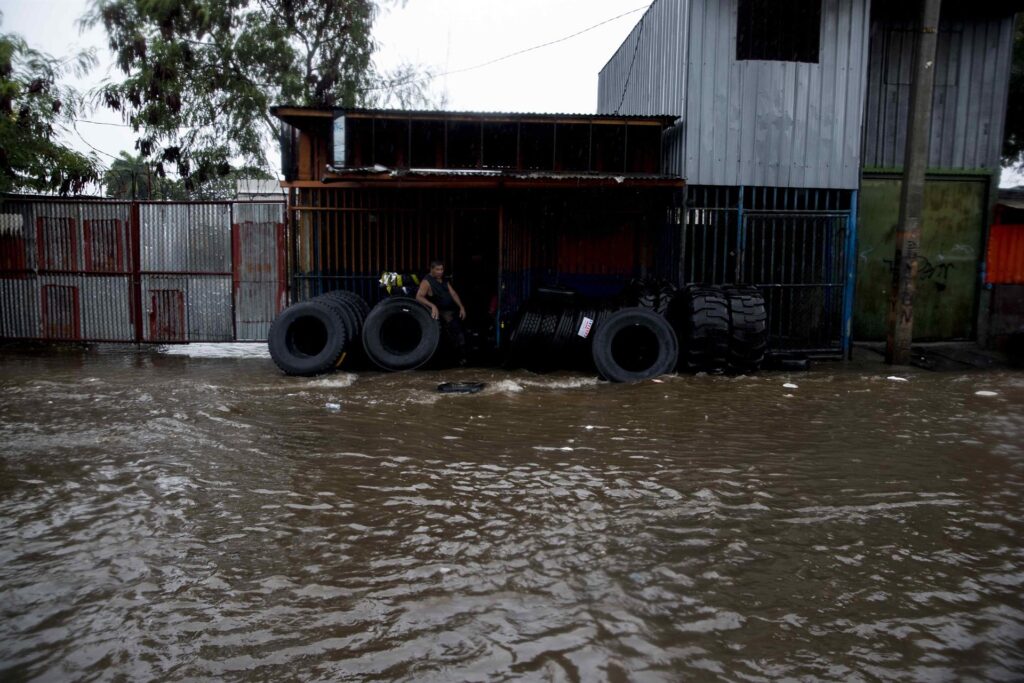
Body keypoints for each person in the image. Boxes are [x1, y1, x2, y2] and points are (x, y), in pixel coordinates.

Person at [416, 259, 467, 362]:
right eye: (437, 269)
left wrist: (461, 307)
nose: (440, 272)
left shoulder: (444, 280)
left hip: (451, 311)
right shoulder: (427, 281)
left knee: (460, 333)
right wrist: (432, 305)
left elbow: (453, 294)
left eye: (442, 269)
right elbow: (419, 297)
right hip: (440, 313)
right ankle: (459, 358)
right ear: (431, 269)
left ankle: (462, 358)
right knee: (455, 333)